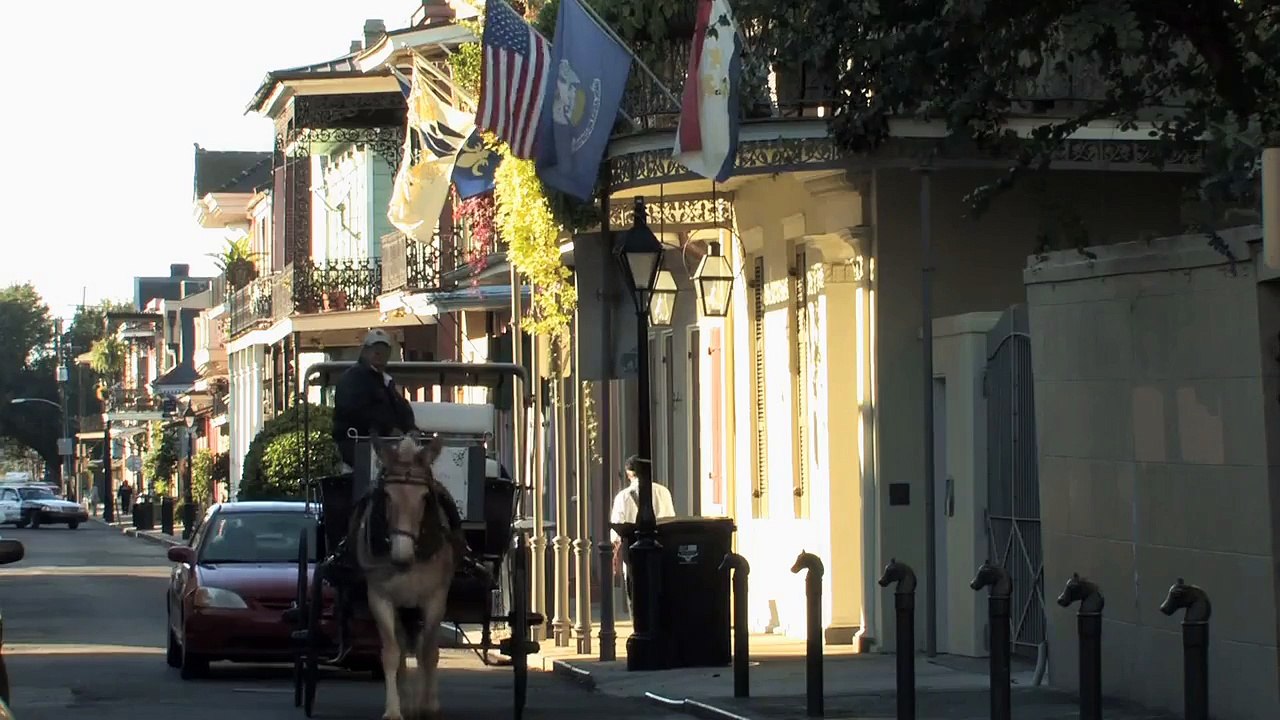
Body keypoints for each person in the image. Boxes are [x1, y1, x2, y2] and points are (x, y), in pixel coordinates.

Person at [331, 329, 472, 570]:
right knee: (370, 488)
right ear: (365, 351)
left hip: (389, 444)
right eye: (375, 349)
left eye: (384, 350)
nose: (379, 354)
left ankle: (452, 536)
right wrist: (386, 428)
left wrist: (411, 429)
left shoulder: (385, 382)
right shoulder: (352, 380)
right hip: (360, 445)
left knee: (424, 479)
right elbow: (353, 411)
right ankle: (351, 540)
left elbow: (402, 410)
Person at [609, 455, 676, 618]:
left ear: (629, 474)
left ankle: (638, 625)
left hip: (633, 552)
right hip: (662, 548)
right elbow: (671, 520)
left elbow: (616, 532)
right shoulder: (663, 492)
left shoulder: (623, 497)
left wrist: (614, 554)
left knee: (635, 594)